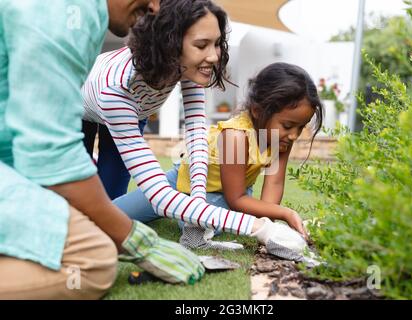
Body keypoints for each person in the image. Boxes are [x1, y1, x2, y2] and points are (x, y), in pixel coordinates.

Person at [0, 0, 205, 300]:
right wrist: (136, 240)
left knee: (91, 215)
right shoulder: (66, 15)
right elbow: (53, 156)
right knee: (93, 260)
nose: (154, 7)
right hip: (87, 113)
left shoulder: (93, 14)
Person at [81, 0, 312, 257]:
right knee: (82, 202)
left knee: (111, 199)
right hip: (81, 109)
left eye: (216, 43)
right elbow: (159, 195)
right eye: (202, 45)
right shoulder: (117, 88)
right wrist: (261, 229)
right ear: (169, 44)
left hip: (135, 111)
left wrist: (197, 210)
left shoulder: (186, 68)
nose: (214, 56)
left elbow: (197, 141)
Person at [114, 62, 323, 258]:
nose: (294, 135)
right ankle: (183, 213)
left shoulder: (281, 137)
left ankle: (187, 215)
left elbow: (274, 183)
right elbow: (237, 199)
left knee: (218, 221)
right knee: (115, 214)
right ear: (259, 111)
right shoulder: (236, 137)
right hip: (182, 185)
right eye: (288, 125)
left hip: (227, 193)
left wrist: (267, 223)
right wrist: (285, 213)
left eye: (300, 127)